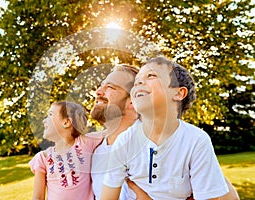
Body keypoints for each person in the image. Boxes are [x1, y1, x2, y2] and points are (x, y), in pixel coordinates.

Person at [100, 56, 237, 200]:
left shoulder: (196, 140)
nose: (139, 81)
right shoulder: (124, 142)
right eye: (137, 81)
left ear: (178, 93)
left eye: (151, 75)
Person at [29, 101, 102, 200]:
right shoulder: (43, 158)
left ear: (66, 122)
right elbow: (38, 197)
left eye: (50, 115)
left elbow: (114, 131)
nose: (44, 120)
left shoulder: (85, 142)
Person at [90, 64, 139, 200]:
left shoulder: (154, 149)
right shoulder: (96, 153)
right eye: (102, 86)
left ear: (133, 103)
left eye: (110, 87)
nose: (98, 92)